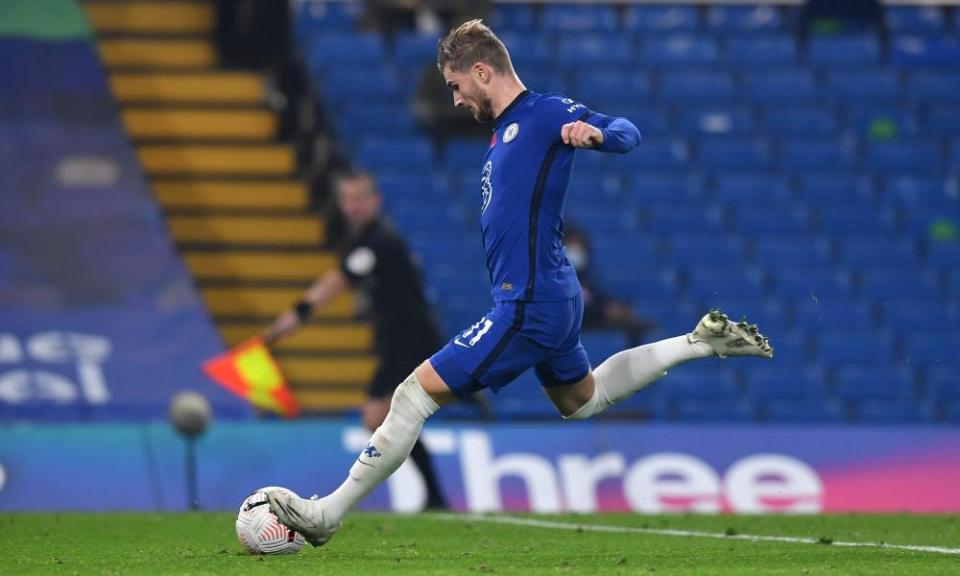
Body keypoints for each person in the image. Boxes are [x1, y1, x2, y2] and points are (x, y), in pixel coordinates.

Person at [267, 19, 773, 545]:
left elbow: (628, 131)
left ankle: (327, 513)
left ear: (481, 71)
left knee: (412, 395)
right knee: (583, 401)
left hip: (529, 303)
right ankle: (696, 343)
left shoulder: (545, 113)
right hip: (551, 295)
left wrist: (597, 134)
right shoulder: (506, 129)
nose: (457, 100)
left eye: (456, 86)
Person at [263, 168, 448, 510]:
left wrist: (297, 314)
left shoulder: (378, 242)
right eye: (346, 199)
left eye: (359, 199)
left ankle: (431, 495)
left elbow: (338, 280)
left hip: (409, 338)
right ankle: (435, 495)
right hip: (399, 338)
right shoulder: (370, 242)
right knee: (385, 419)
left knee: (377, 418)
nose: (352, 207)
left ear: (374, 201)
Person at [564, 226, 657, 346]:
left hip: (597, 323)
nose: (577, 250)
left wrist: (614, 308)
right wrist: (603, 310)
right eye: (572, 244)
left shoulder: (586, 277)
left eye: (580, 245)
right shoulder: (558, 278)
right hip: (579, 329)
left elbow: (596, 296)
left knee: (643, 326)